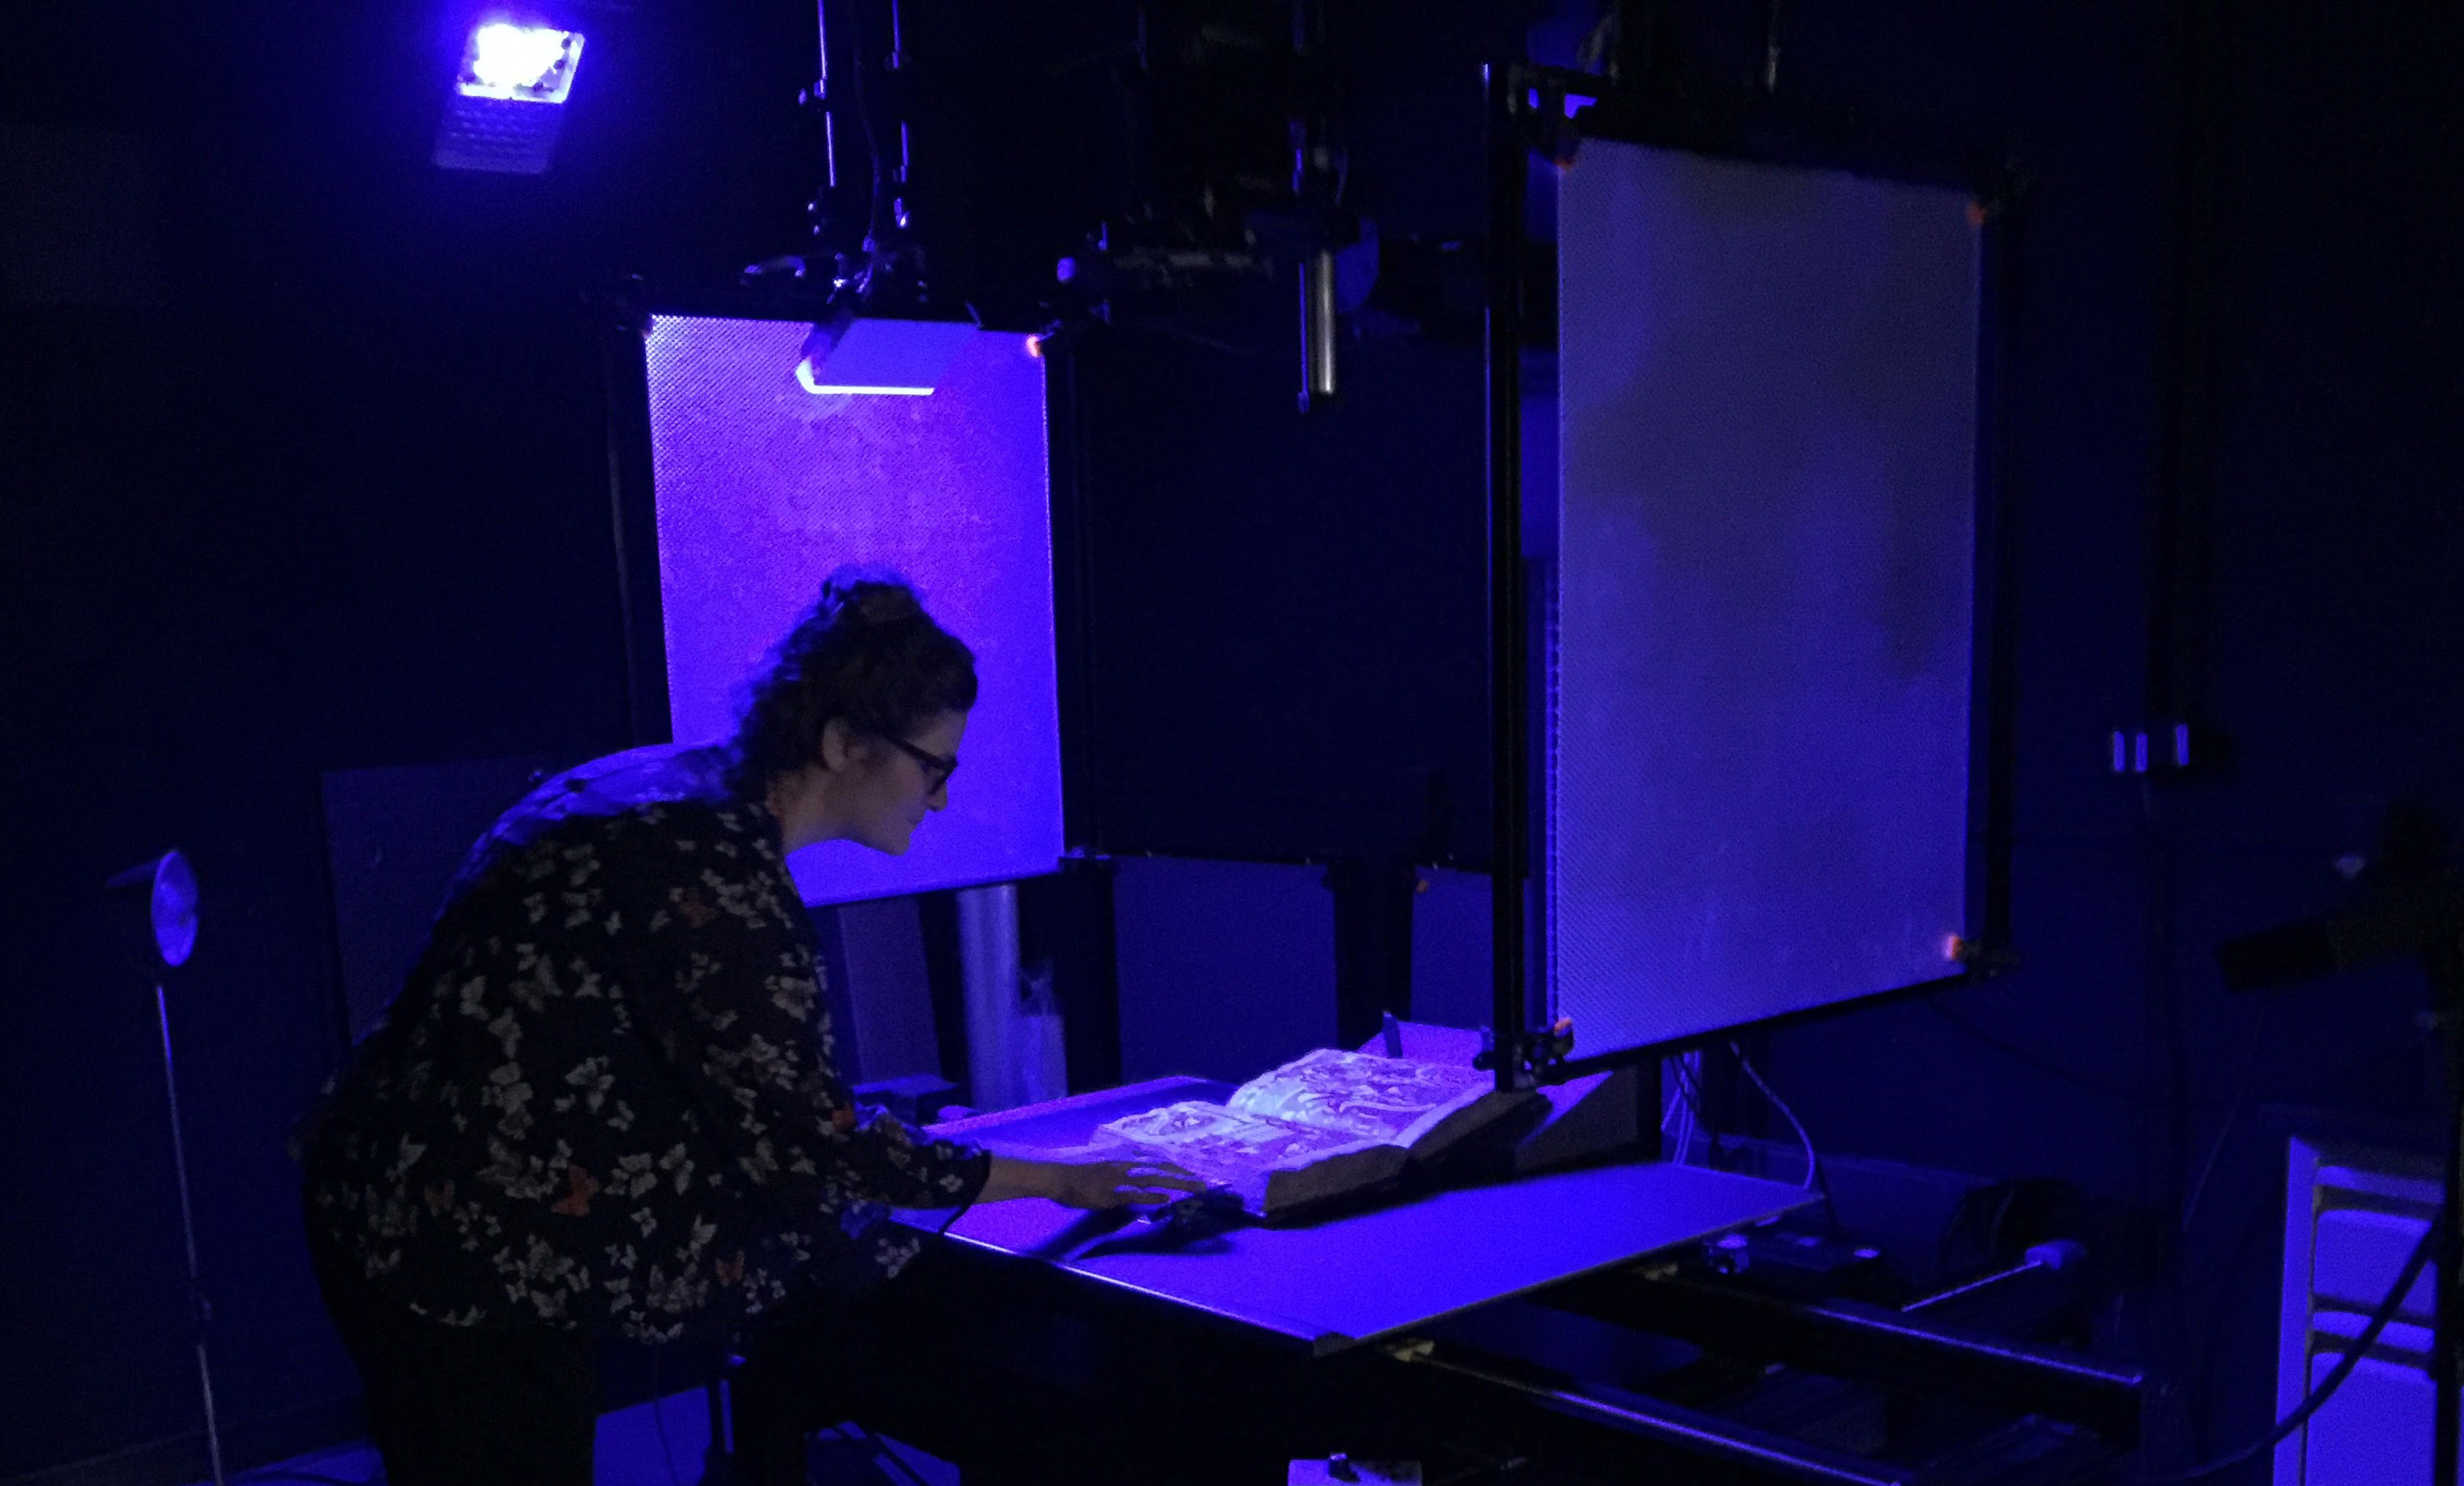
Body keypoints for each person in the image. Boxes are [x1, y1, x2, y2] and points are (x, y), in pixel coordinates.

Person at [295, 570, 1197, 1486]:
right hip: (449, 1247)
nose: (941, 801)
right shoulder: (715, 880)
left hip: (401, 1197)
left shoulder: (674, 791)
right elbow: (815, 1145)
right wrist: (1065, 1181)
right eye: (934, 768)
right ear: (845, 742)